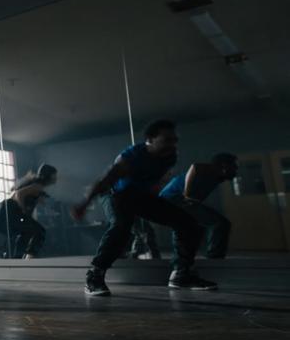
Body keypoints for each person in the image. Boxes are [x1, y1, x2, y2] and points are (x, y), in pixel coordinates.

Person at [70, 120, 214, 296]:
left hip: (140, 197)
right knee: (122, 227)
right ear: (150, 139)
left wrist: (162, 205)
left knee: (189, 224)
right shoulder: (132, 156)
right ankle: (95, 275)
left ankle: (181, 274)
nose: (172, 144)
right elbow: (107, 180)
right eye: (167, 139)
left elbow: (154, 183)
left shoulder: (170, 157)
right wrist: (84, 205)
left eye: (174, 140)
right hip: (115, 194)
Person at [160, 153, 239, 259]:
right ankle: (214, 257)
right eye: (234, 166)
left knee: (200, 226)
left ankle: (189, 256)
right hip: (172, 199)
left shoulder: (217, 177)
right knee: (219, 223)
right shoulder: (212, 170)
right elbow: (194, 167)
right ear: (224, 166)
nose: (236, 169)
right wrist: (187, 194)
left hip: (175, 200)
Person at [0, 164, 58, 260]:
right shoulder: (37, 186)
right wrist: (22, 210)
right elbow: (19, 194)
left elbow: (27, 204)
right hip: (8, 210)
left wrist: (27, 215)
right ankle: (29, 257)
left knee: (27, 232)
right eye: (54, 175)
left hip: (0, 212)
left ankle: (18, 257)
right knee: (40, 231)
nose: (56, 178)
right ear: (48, 176)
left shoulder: (36, 188)